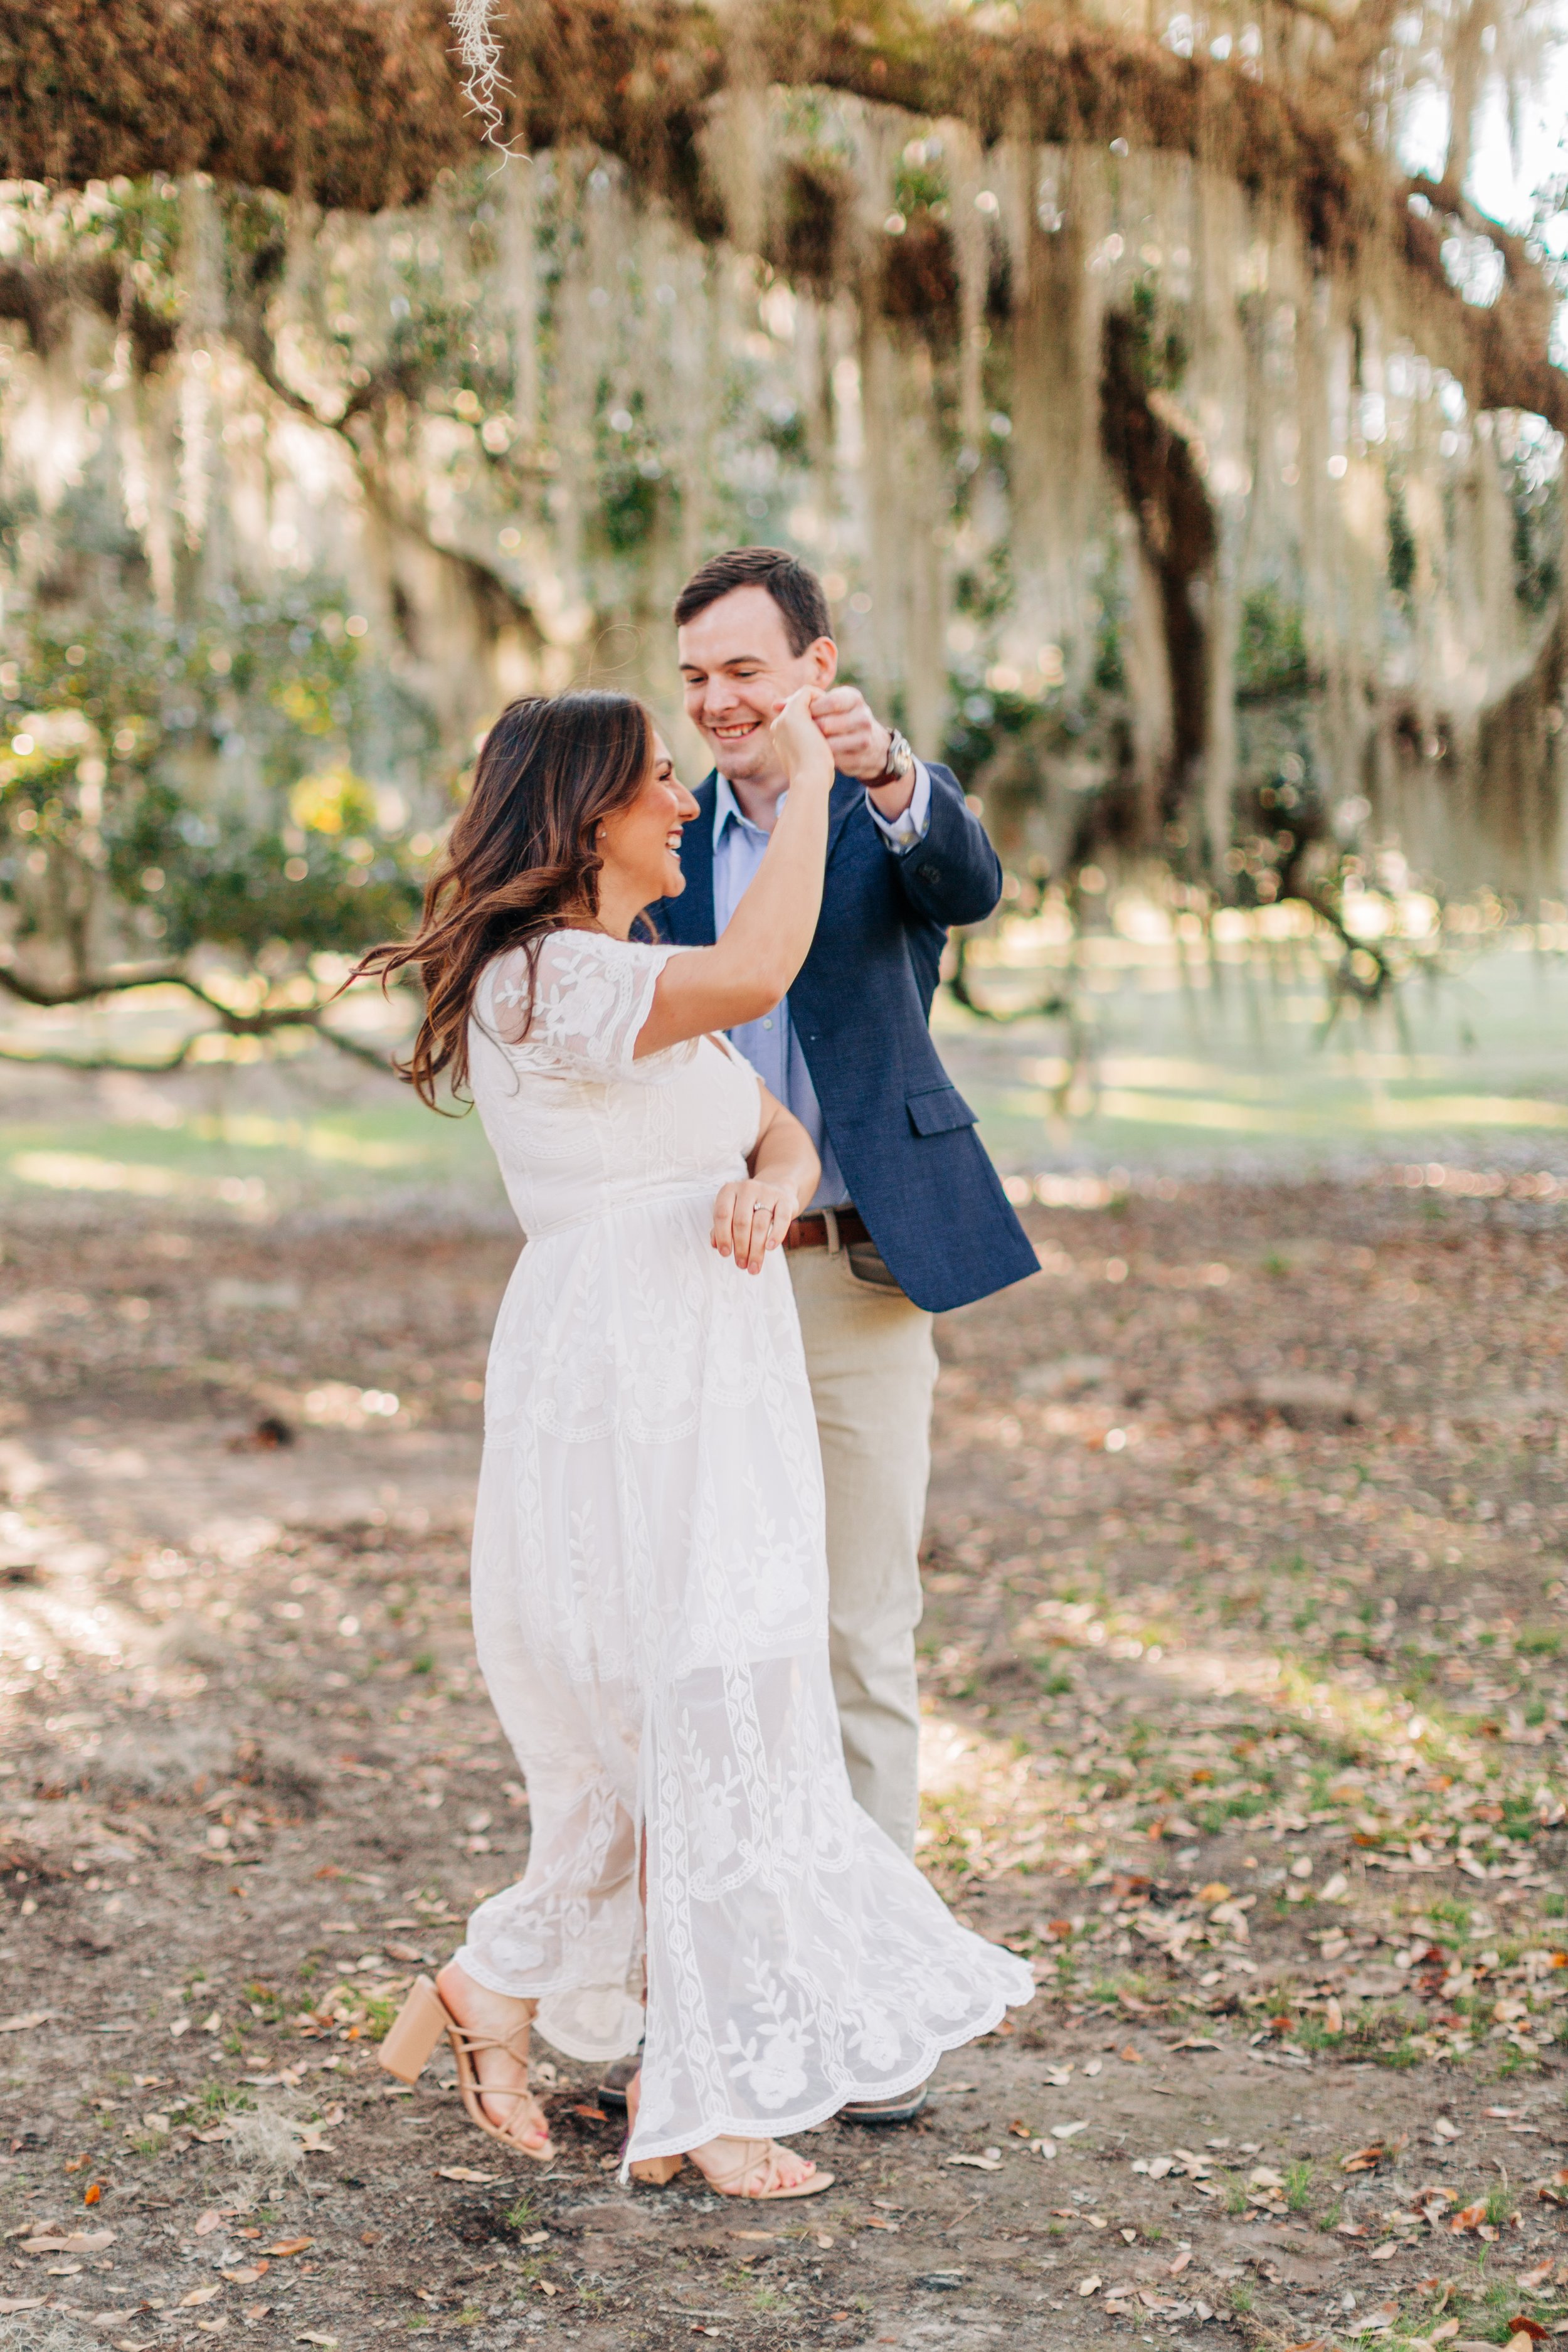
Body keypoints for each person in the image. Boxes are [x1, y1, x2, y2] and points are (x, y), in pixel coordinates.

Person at [364, 689, 1032, 2195]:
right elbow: (760, 974)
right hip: (619, 1380)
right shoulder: (543, 981)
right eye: (659, 783)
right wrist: (800, 792)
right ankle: (687, 2083)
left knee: (721, 1692)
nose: (681, 801)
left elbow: (771, 1125)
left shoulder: (632, 973)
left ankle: (532, 2004)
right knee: (678, 1708)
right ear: (589, 815)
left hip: (712, 1372)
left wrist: (763, 1179)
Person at [651, 550, 1037, 2119]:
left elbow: (970, 882)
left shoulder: (879, 811)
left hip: (856, 1275)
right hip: (695, 1278)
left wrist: (883, 769)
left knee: (858, 1633)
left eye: (743, 671)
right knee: (711, 1644)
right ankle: (735, 1985)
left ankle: (871, 2012)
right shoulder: (658, 838)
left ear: (815, 666)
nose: (717, 704)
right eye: (693, 679)